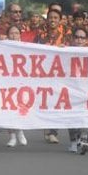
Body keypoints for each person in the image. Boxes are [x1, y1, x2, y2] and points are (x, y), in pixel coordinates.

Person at [35, 8, 72, 144]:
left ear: (60, 20)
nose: (52, 20)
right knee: (46, 101)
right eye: (50, 17)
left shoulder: (68, 33)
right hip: (44, 73)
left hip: (62, 72)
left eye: (56, 18)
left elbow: (74, 49)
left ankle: (53, 131)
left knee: (57, 101)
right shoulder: (40, 33)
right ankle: (47, 126)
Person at [67, 26, 88, 155]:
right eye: (77, 37)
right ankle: (73, 141)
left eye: (82, 37)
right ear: (73, 39)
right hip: (70, 88)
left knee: (84, 115)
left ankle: (83, 140)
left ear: (86, 40)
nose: (79, 40)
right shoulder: (66, 51)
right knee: (71, 116)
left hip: (85, 88)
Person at [4, 25, 28, 148]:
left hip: (22, 82)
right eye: (11, 33)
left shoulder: (27, 47)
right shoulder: (2, 47)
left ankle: (21, 131)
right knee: (9, 109)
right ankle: (12, 136)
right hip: (6, 83)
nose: (14, 35)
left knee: (21, 107)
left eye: (16, 33)